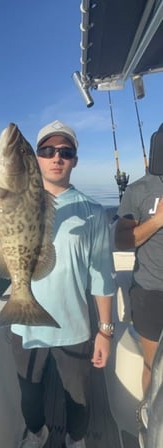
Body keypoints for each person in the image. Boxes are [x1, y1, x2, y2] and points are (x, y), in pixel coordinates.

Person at [0, 120, 116, 448]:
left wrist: (106, 331)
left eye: (65, 152)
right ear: (36, 159)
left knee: (79, 397)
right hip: (26, 327)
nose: (57, 157)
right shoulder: (9, 193)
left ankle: (77, 438)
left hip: (75, 326)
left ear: (74, 160)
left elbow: (102, 275)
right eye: (47, 150)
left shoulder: (94, 212)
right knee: (30, 392)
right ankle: (36, 432)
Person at [115, 136, 163, 399]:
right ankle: (149, 418)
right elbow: (121, 240)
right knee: (154, 366)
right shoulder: (139, 190)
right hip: (151, 293)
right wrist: (157, 221)